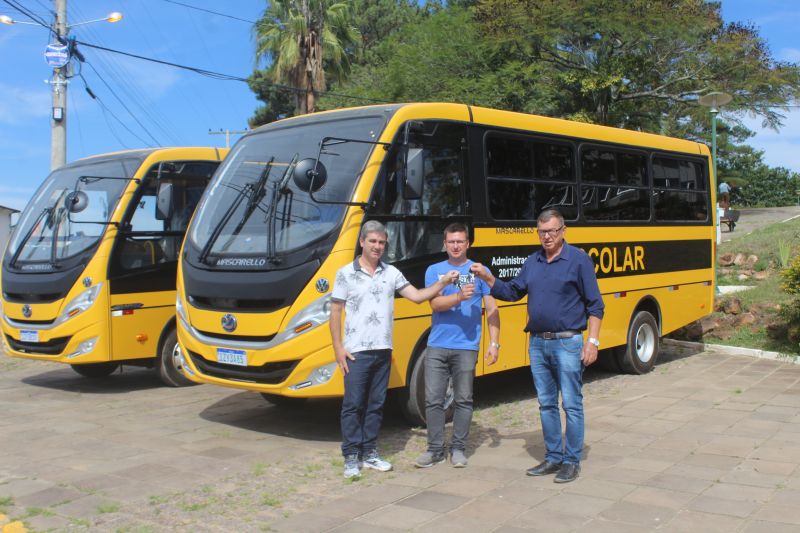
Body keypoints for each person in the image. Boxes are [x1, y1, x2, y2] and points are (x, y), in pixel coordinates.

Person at [470, 209, 604, 483]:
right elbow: (512, 292)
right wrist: (487, 277)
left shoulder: (578, 260)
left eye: (552, 231)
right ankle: (553, 456)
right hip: (538, 343)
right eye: (542, 232)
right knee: (546, 404)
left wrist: (592, 341)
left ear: (563, 231)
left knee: (572, 404)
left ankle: (571, 461)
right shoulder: (533, 261)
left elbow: (596, 305)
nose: (547, 236)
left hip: (568, 342)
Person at [330, 220, 459, 479]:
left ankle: (370, 453)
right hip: (356, 352)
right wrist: (338, 348)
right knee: (353, 405)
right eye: (373, 241)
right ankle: (351, 456)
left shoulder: (391, 273)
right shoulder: (345, 274)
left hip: (383, 350)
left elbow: (418, 297)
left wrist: (443, 282)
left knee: (376, 404)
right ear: (362, 242)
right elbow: (335, 311)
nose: (377, 246)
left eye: (381, 242)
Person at [415, 223, 500, 469]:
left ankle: (458, 449)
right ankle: (434, 450)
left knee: (463, 399)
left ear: (468, 243)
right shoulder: (434, 271)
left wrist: (494, 343)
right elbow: (435, 304)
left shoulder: (479, 271)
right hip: (437, 345)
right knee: (433, 400)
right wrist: (459, 297)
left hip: (467, 346)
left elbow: (492, 309)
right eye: (451, 242)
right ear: (445, 244)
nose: (455, 246)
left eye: (460, 241)